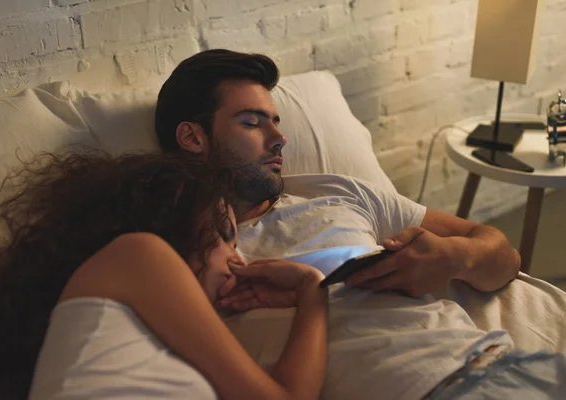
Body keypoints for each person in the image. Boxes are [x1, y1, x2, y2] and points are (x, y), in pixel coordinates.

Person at [154, 49, 566, 399]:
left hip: (508, 364)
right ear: (193, 138)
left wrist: (454, 257)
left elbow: (504, 256)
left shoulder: (337, 191)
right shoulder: (185, 255)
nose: (279, 138)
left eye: (276, 121)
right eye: (252, 122)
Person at [0, 151, 328, 400]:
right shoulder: (139, 254)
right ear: (171, 226)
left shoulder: (144, 334)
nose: (238, 258)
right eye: (222, 235)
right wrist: (313, 288)